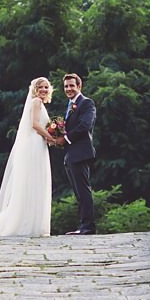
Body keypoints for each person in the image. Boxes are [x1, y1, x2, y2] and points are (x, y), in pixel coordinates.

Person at [0, 77, 59, 237]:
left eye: (46, 87)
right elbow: (34, 124)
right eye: (40, 87)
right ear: (35, 89)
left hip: (39, 143)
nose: (43, 90)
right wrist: (50, 137)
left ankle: (34, 223)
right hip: (35, 144)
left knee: (36, 182)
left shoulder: (40, 104)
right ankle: (25, 223)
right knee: (33, 181)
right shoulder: (35, 102)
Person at [56, 72, 96, 235]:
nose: (69, 89)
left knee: (83, 190)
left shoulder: (86, 103)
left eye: (72, 85)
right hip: (71, 154)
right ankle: (82, 226)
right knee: (78, 192)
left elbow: (85, 125)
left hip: (80, 152)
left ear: (79, 86)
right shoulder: (70, 104)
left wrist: (65, 139)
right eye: (66, 86)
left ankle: (88, 227)